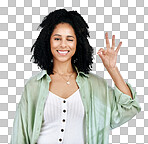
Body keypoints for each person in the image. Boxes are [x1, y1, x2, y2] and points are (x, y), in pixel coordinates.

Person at [10, 8, 141, 144]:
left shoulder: (96, 84)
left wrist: (112, 69)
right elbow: (20, 135)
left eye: (70, 39)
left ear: (78, 43)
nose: (63, 44)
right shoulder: (33, 86)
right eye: (57, 38)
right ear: (47, 41)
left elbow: (129, 108)